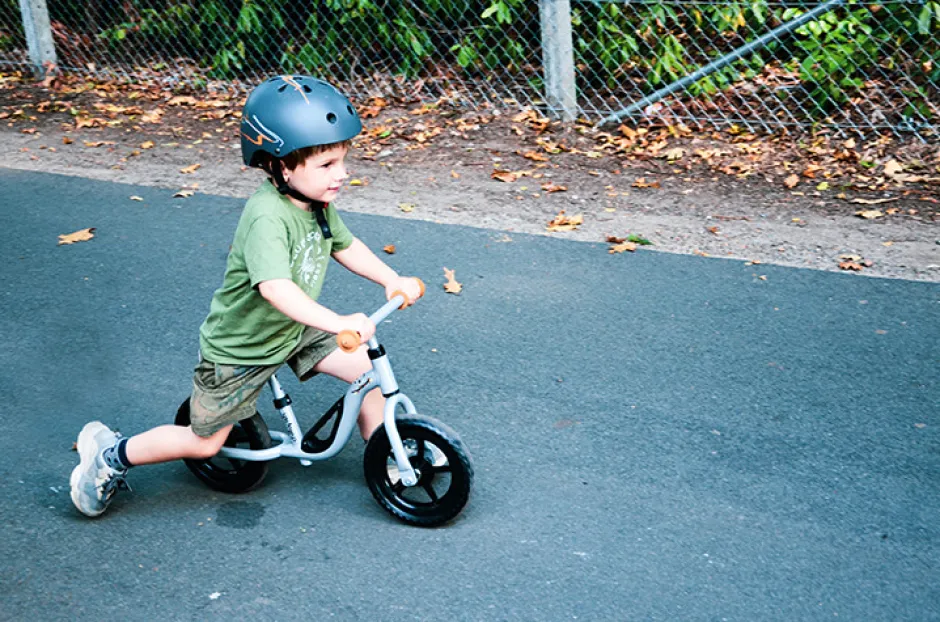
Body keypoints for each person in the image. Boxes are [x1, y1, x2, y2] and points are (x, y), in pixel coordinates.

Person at [70, 75, 424, 518]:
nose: (343, 174)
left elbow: (345, 246)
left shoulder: (315, 202)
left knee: (366, 373)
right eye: (328, 164)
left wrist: (391, 279)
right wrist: (338, 322)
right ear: (282, 166)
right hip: (242, 347)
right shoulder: (266, 219)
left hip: (293, 330)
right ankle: (110, 456)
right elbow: (276, 289)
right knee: (206, 442)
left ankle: (391, 456)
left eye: (342, 160)